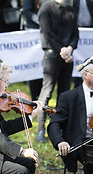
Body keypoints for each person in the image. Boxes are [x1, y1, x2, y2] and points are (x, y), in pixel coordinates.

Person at [47, 61, 93, 173]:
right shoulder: (68, 97)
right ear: (85, 74)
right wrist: (60, 141)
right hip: (81, 143)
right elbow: (55, 123)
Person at [35, 0, 79, 143]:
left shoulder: (70, 9)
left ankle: (60, 128)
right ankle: (40, 129)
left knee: (64, 94)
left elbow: (75, 33)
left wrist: (70, 48)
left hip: (67, 57)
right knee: (47, 92)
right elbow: (47, 33)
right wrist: (63, 50)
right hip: (52, 55)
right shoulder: (46, 8)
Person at [72, 0, 93, 88]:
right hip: (75, 31)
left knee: (92, 62)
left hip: (92, 33)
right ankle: (77, 86)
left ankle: (92, 86)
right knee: (77, 63)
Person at [23, 0, 43, 102]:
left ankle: (42, 99)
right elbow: (26, 12)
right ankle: (34, 99)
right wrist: (43, 20)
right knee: (34, 65)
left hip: (46, 31)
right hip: (32, 33)